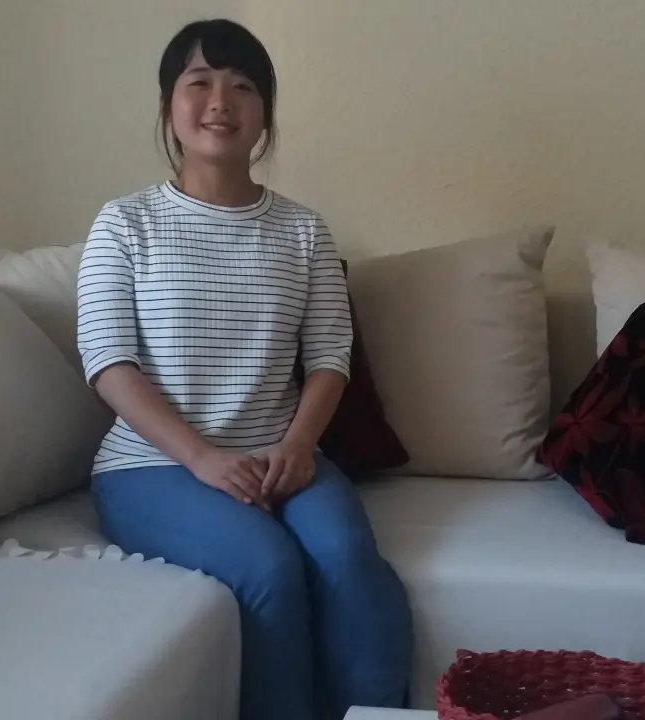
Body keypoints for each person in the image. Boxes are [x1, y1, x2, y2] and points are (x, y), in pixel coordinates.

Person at [76, 19, 412, 720]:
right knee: (268, 566)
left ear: (265, 112)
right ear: (169, 103)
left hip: (282, 457)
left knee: (348, 560)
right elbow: (109, 363)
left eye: (243, 86)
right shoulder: (125, 223)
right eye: (198, 83)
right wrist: (202, 459)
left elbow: (329, 355)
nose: (220, 102)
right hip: (152, 466)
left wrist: (298, 445)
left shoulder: (303, 230)